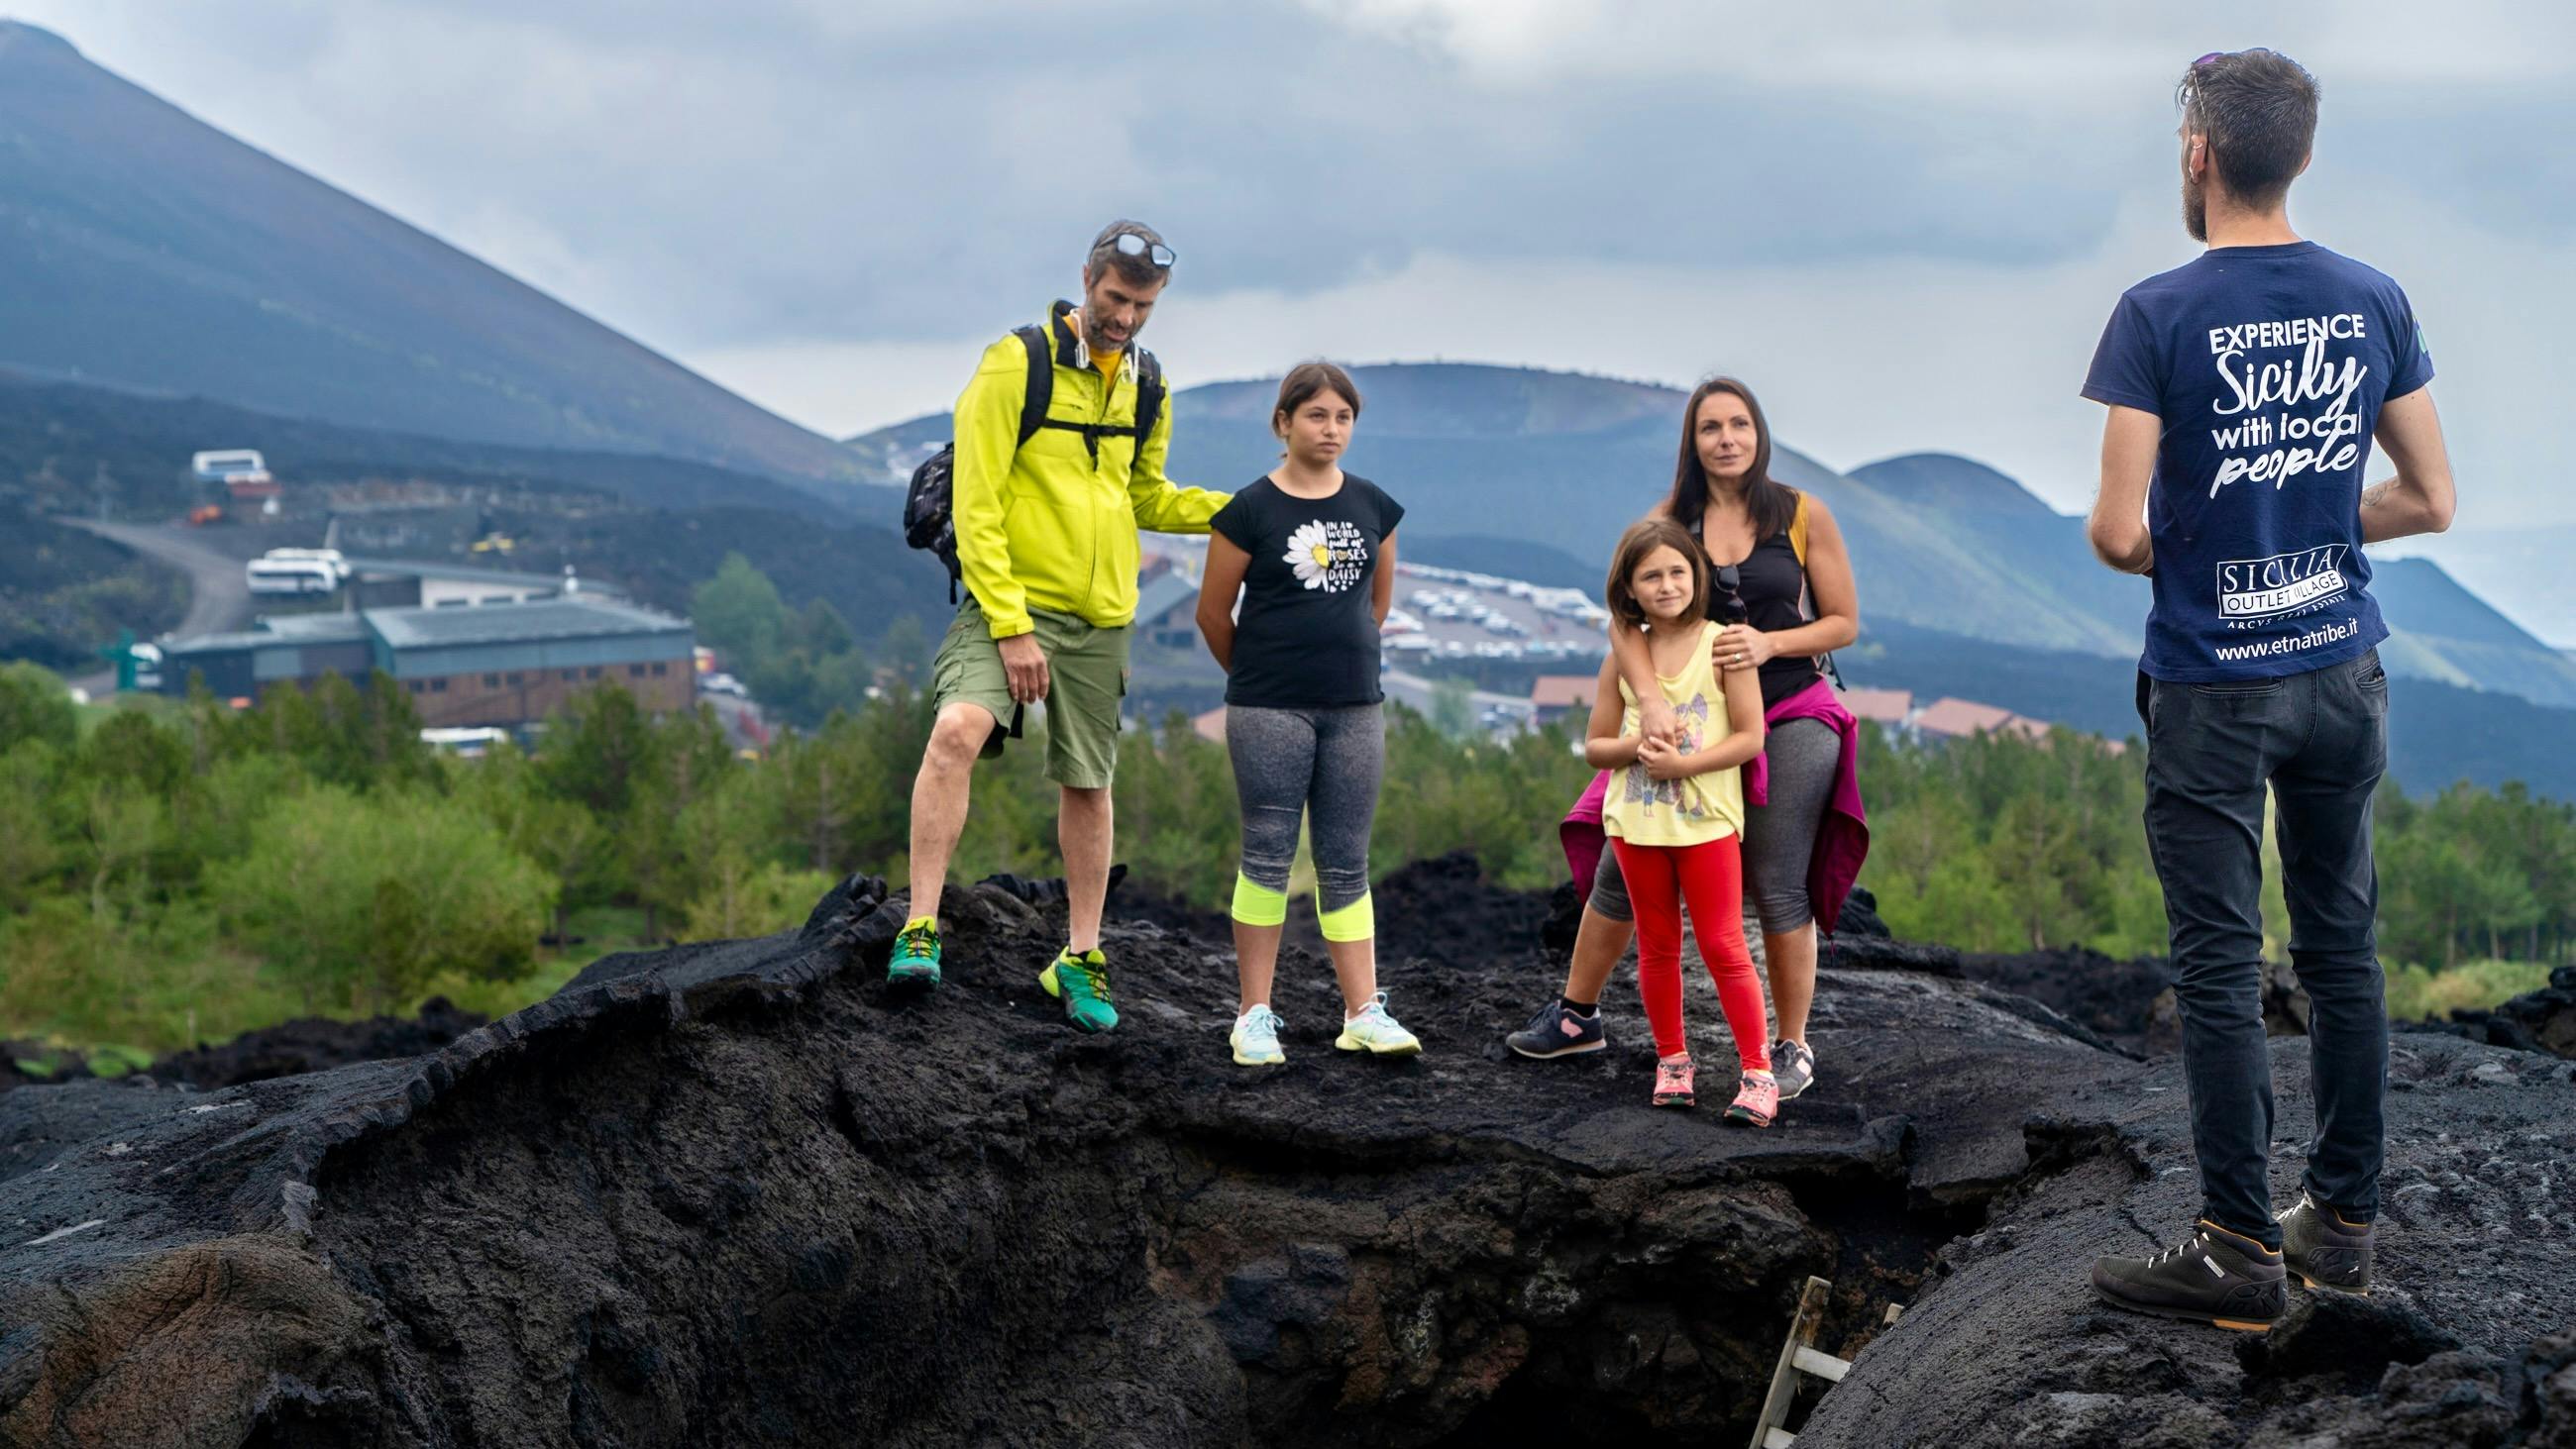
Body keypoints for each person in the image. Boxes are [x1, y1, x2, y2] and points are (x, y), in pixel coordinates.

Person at [2079, 50, 2453, 1331]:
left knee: (2224, 959)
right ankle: (2339, 1226)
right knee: (2344, 945)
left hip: (2215, 683)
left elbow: (2117, 534)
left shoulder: (2156, 312)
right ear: (2298, 154)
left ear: (2197, 154)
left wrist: (2218, 536)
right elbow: (2432, 500)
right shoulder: (2370, 296)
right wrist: (2309, 522)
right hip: (2344, 666)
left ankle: (2237, 1243)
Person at [887, 221, 1228, 1033]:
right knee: (956, 731)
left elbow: (1145, 496)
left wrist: (1244, 511)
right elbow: (975, 501)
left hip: (1101, 617)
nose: (1125, 318)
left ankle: (1079, 956)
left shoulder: (1147, 381)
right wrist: (1009, 625)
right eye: (1115, 298)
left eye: (1142, 305)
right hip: (1010, 602)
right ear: (1086, 278)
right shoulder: (1016, 362)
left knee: (1089, 782)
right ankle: (920, 924)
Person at [1509, 378, 1866, 1107]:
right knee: (1622, 861)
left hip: (1790, 707)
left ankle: (1790, 1045)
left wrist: (1769, 643)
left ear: (1759, 433)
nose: (1727, 438)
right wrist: (1646, 701)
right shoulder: (1669, 519)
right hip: (1686, 717)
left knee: (1774, 880)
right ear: (1692, 440)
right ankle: (1577, 1016)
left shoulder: (1802, 514)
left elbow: (1843, 624)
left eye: (1740, 424)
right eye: (1711, 427)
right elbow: (1621, 616)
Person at [1196, 362, 1419, 1066]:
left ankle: (1362, 1010)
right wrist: (1259, 679)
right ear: (1283, 422)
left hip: (1356, 705)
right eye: (1316, 415)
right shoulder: (1249, 510)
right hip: (1268, 706)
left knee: (1346, 859)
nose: (1330, 429)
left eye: (1343, 417)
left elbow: (1376, 608)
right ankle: (1254, 1013)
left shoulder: (1375, 505)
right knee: (1266, 853)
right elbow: (1210, 611)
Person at [1583, 517, 1772, 1121]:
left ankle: (1758, 1071)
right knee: (1657, 946)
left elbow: (1750, 738)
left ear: (1696, 576)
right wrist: (1639, 744)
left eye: (1677, 572)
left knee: (1723, 945)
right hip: (1636, 824)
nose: (1666, 586)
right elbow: (1595, 747)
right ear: (1630, 588)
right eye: (1650, 576)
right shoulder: (1623, 655)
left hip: (1706, 823)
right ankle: (1673, 1061)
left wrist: (1681, 764)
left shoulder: (1724, 644)